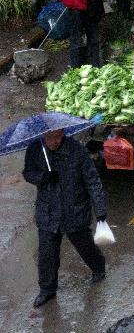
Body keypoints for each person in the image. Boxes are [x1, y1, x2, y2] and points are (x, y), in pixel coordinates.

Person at [23, 129, 107, 308]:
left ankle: (98, 266)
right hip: (48, 211)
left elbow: (92, 180)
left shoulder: (76, 150)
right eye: (50, 138)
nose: (54, 142)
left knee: (84, 245)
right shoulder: (35, 149)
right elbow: (28, 173)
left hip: (74, 209)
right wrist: (43, 177)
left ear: (63, 135)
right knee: (47, 254)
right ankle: (47, 290)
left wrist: (100, 209)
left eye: (58, 137)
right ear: (43, 136)